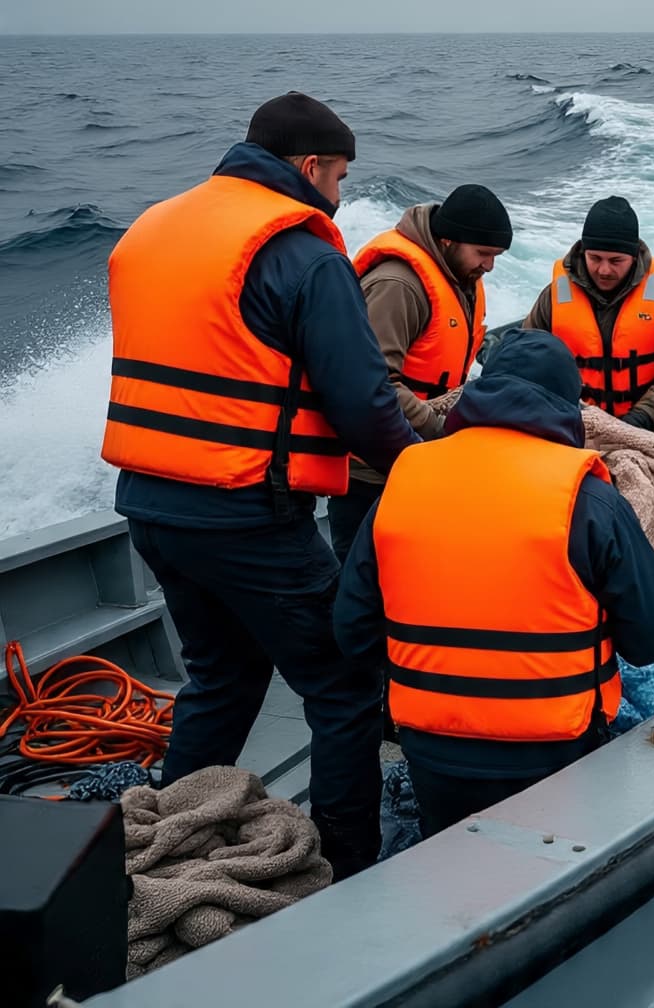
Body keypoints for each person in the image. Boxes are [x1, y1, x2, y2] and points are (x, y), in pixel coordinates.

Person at [100, 91, 420, 880]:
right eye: (339, 177)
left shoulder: (155, 226)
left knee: (222, 674)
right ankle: (348, 865)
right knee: (345, 687)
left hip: (150, 507)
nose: (340, 194)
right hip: (247, 517)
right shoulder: (305, 253)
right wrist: (424, 465)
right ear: (310, 168)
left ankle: (167, 840)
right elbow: (360, 401)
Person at [334, 329, 654, 838]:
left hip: (433, 753)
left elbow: (352, 633)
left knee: (448, 871)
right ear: (569, 406)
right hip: (557, 756)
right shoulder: (586, 496)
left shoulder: (405, 479)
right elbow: (653, 638)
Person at [325, 184, 512, 563]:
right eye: (483, 254)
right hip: (371, 475)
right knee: (366, 582)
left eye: (495, 256)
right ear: (447, 241)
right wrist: (439, 427)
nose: (489, 266)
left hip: (421, 459)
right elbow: (372, 382)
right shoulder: (398, 287)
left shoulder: (461, 279)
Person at [523, 195, 654, 430]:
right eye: (595, 258)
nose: (604, 270)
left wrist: (643, 416)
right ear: (582, 252)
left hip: (647, 430)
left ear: (634, 256)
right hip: (573, 428)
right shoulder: (554, 297)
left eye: (616, 260)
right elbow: (525, 360)